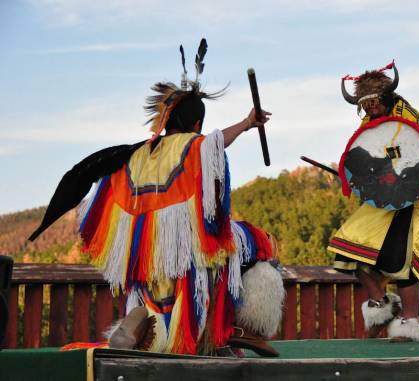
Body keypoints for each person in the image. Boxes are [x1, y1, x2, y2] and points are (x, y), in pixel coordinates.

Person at [29, 40, 285, 357]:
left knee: (164, 291)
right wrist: (248, 123)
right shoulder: (194, 145)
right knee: (260, 243)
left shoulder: (135, 155)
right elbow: (214, 145)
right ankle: (241, 330)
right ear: (195, 124)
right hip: (189, 246)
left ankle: (143, 325)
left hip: (144, 254)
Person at [329, 61, 419, 341]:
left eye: (374, 102)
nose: (370, 108)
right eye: (365, 104)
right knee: (347, 248)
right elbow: (367, 161)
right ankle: (382, 304)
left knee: (402, 260)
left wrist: (398, 179)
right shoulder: (369, 124)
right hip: (380, 201)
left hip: (408, 198)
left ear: (386, 96)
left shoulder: (409, 117)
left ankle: (411, 320)